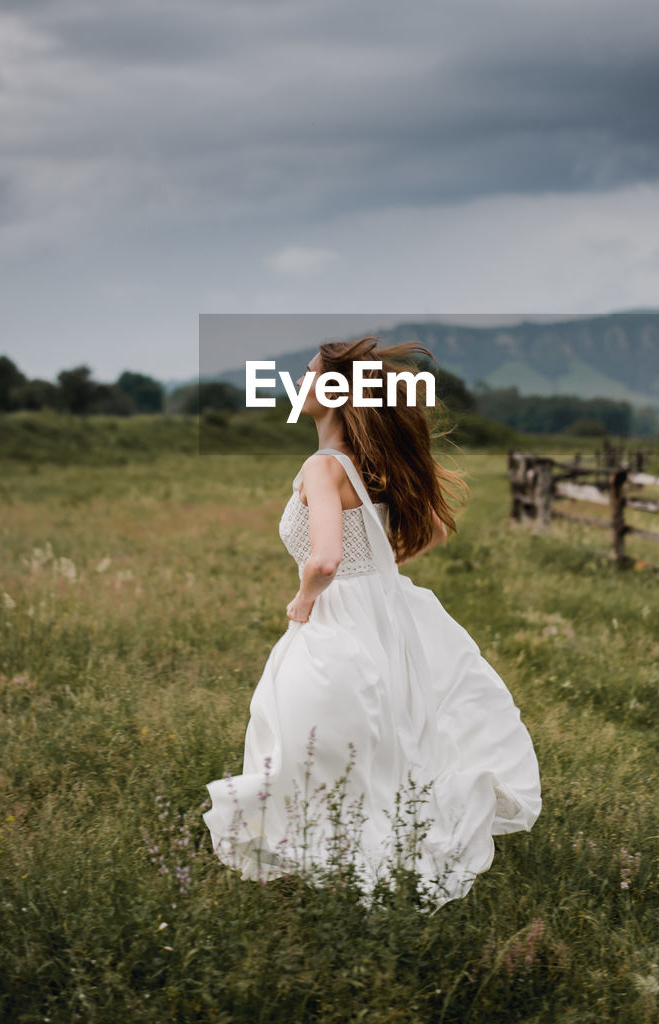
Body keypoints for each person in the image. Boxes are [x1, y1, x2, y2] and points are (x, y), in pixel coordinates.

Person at [203, 337, 541, 911]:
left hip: (337, 612)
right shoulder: (371, 465)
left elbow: (326, 558)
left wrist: (304, 599)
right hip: (383, 609)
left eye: (308, 374)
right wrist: (381, 569)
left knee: (305, 731)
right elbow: (434, 528)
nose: (299, 382)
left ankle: (335, 849)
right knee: (370, 729)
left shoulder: (321, 467)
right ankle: (357, 841)